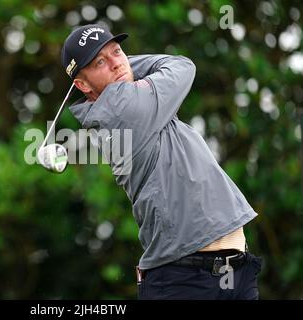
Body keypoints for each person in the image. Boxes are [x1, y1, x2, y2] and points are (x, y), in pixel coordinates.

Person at [60, 24, 263, 300]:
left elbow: (157, 69)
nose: (116, 63)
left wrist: (116, 67)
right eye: (99, 62)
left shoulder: (136, 106)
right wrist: (125, 67)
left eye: (117, 52)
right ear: (82, 85)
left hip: (230, 272)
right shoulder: (122, 109)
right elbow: (181, 66)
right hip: (185, 279)